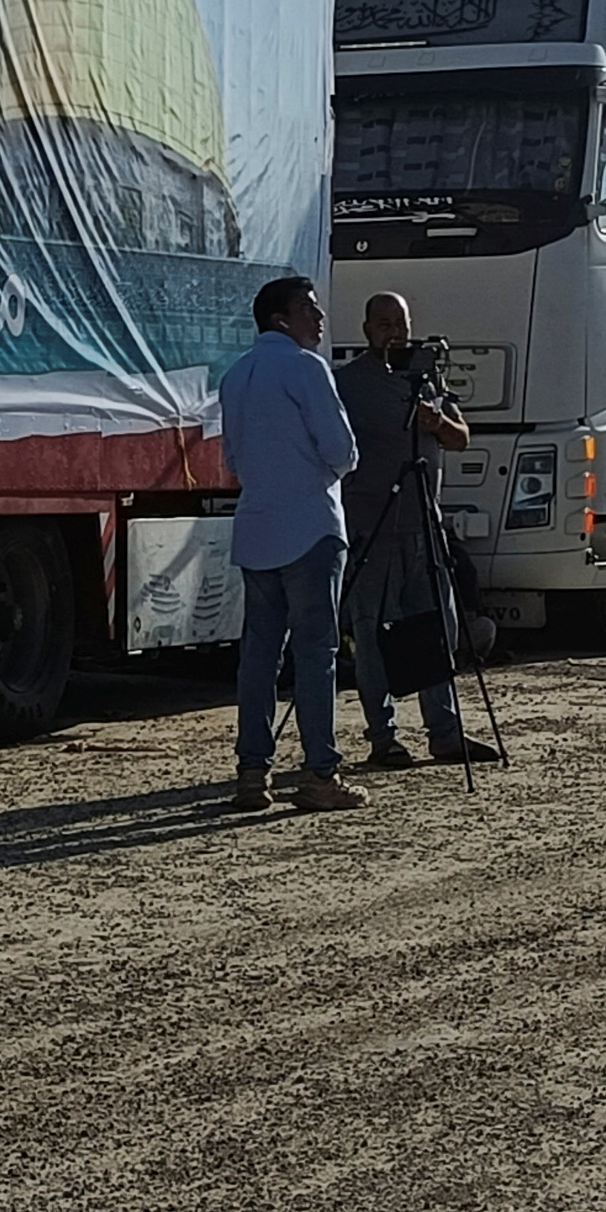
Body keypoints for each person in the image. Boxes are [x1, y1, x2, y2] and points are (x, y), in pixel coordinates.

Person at [213, 272, 365, 811]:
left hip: (256, 528)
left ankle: (253, 774)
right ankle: (319, 773)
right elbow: (343, 452)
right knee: (315, 654)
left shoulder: (236, 376)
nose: (320, 319)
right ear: (282, 319)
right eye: (310, 310)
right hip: (311, 526)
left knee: (258, 655)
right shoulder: (306, 368)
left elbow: (230, 460)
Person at [335, 291, 502, 771]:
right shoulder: (346, 384)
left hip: (423, 528)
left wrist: (438, 420)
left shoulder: (427, 378)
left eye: (400, 323)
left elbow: (461, 438)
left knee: (437, 631)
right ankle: (382, 738)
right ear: (367, 329)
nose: (394, 332)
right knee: (372, 636)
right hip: (373, 528)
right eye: (383, 323)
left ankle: (445, 734)